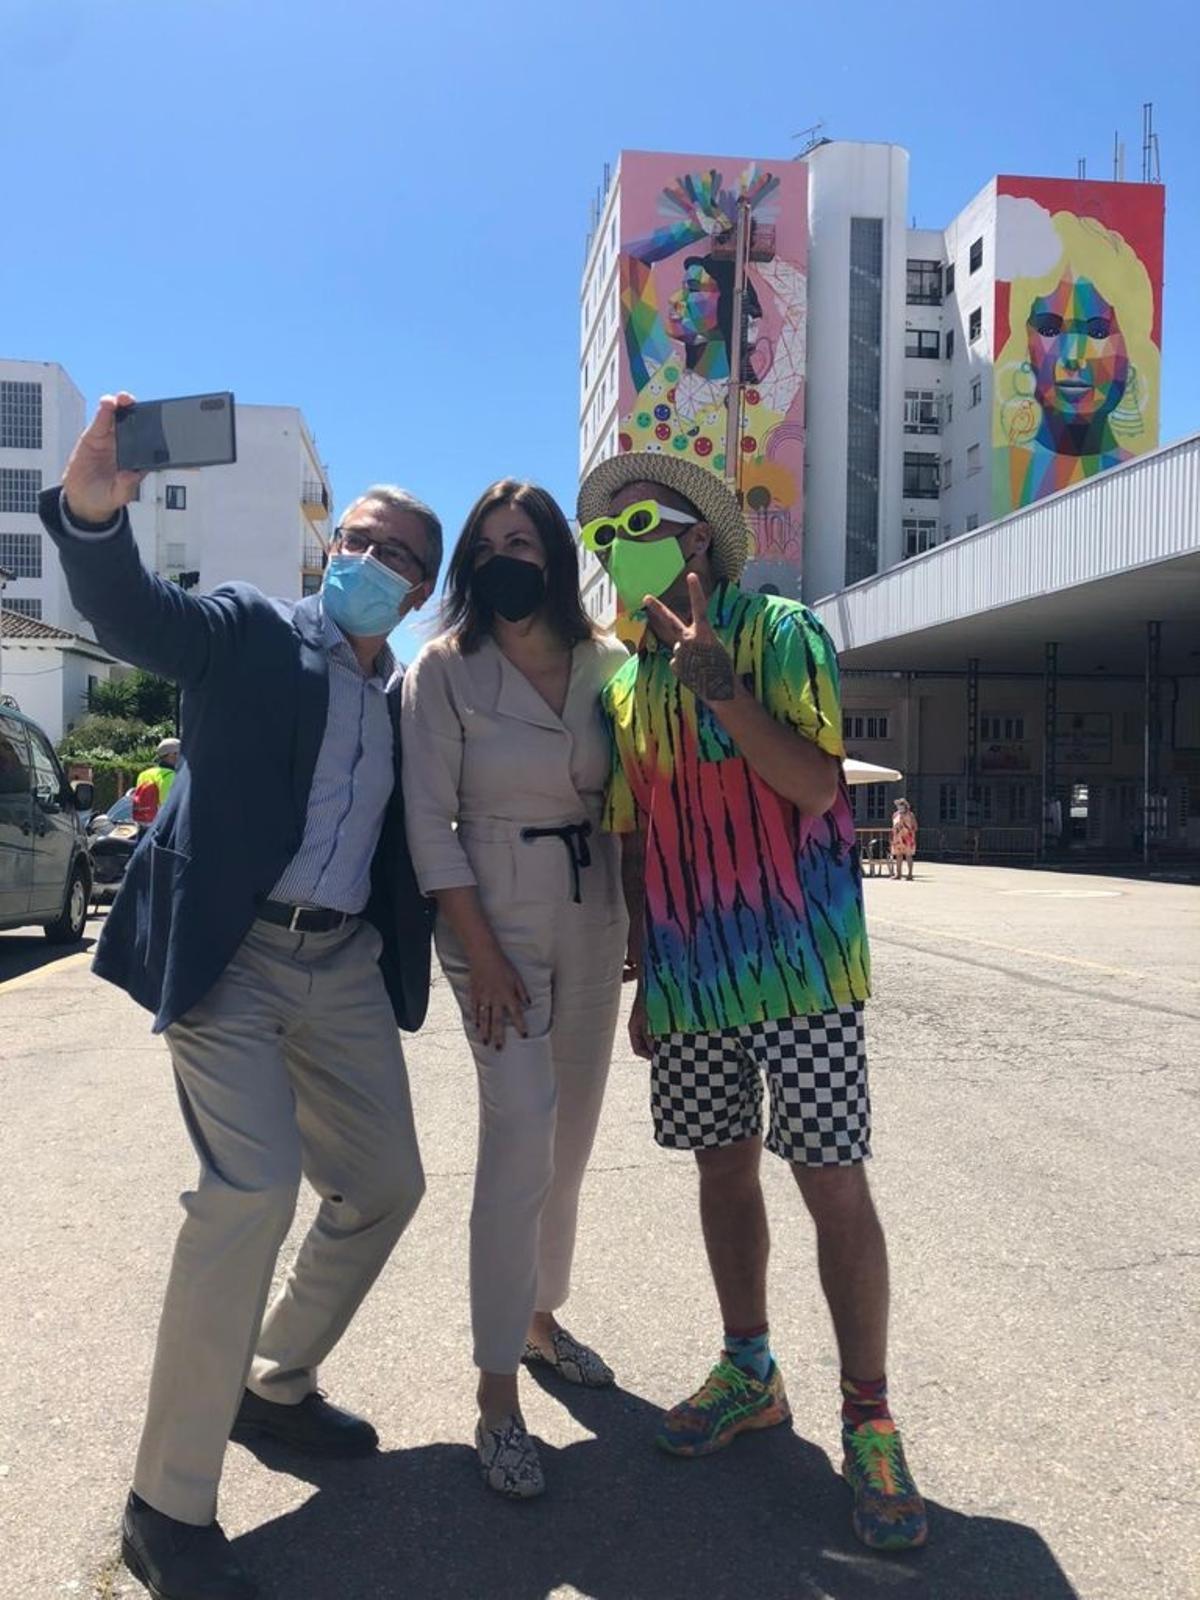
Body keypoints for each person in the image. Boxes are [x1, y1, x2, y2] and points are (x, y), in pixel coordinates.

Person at [40, 392, 442, 1600]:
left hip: (344, 966)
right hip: (236, 958)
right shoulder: (253, 630)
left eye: (396, 555)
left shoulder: (399, 698)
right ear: (333, 549)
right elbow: (137, 617)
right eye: (356, 540)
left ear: (421, 592)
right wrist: (93, 522)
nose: (367, 561)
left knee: (385, 1185)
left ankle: (273, 1383)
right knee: (250, 1190)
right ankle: (165, 1504)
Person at [577, 452, 927, 1553]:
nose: (618, 546)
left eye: (638, 523)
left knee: (830, 1181)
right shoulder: (626, 687)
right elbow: (638, 840)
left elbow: (819, 787)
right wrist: (645, 969)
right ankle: (750, 1368)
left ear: (694, 541)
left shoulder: (782, 634)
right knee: (721, 1170)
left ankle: (868, 1414)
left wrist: (722, 684)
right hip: (691, 979)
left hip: (803, 968)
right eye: (603, 538)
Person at [401, 480, 628, 1499]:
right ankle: (497, 1393)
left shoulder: (606, 663)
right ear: (469, 562)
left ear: (555, 555)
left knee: (572, 1135)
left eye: (524, 539)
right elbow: (426, 823)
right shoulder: (444, 671)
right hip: (489, 909)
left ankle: (540, 1318)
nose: (507, 556)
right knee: (520, 1130)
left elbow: (636, 790)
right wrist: (479, 950)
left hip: (595, 904)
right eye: (489, 542)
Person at [132, 736, 180, 825]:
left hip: (141, 824)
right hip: (159, 826)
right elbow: (169, 806)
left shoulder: (144, 774)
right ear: (171, 755)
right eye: (180, 753)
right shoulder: (169, 775)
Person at [890, 798, 918, 881]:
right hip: (898, 837)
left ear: (905, 806)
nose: (900, 808)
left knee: (908, 855)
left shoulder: (910, 815)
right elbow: (893, 825)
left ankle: (910, 874)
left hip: (907, 837)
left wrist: (907, 829)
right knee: (898, 855)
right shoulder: (895, 814)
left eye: (901, 806)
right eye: (898, 806)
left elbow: (915, 826)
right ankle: (898, 874)